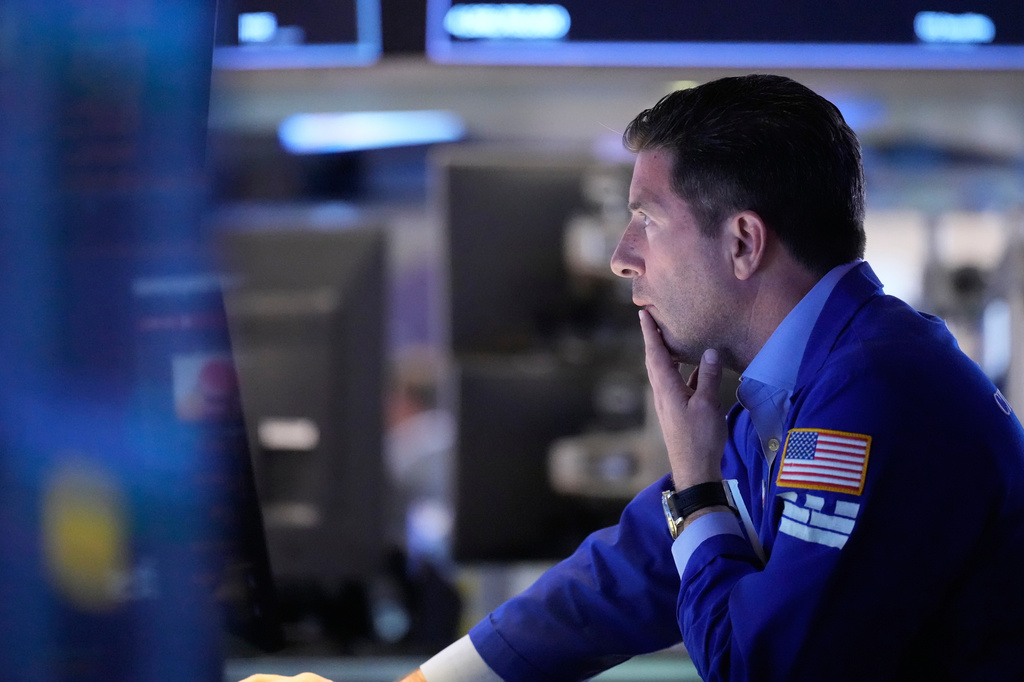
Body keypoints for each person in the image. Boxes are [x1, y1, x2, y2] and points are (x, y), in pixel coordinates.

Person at [239, 74, 1024, 682]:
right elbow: (637, 568)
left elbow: (764, 669)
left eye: (647, 219)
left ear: (744, 243)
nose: (620, 256)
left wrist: (696, 482)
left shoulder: (873, 387)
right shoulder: (809, 376)